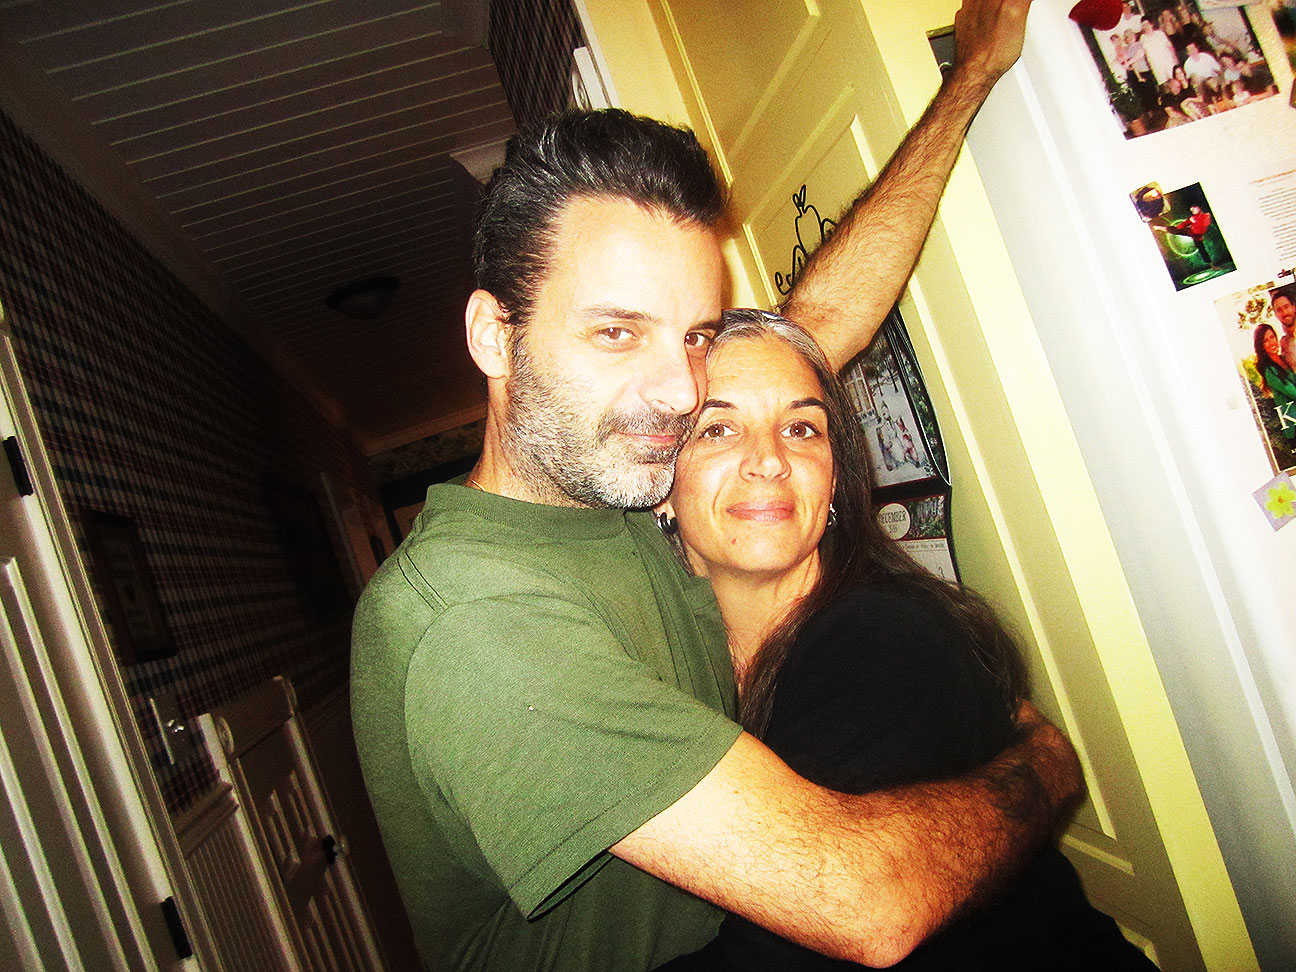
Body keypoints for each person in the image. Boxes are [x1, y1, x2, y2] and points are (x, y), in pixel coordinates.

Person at [351, 3, 1080, 971]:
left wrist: (969, 81)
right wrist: (1044, 767)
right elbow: (866, 901)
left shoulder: (618, 480)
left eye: (693, 335)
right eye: (617, 332)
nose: (678, 389)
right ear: (494, 336)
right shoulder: (476, 619)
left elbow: (814, 328)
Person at [656, 311, 1159, 971]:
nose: (770, 460)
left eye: (801, 428)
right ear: (661, 487)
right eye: (718, 429)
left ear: (834, 480)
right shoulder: (679, 658)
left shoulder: (882, 640)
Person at [1255, 322, 1296, 442]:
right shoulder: (1269, 370)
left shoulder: (1285, 358)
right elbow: (1292, 392)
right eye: (1265, 341)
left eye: (1272, 337)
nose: (1271, 342)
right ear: (1261, 346)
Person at [1271, 285, 1296, 370]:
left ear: (1294, 307)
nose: (1284, 313)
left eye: (1286, 307)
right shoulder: (1284, 344)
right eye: (1279, 310)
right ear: (1276, 315)